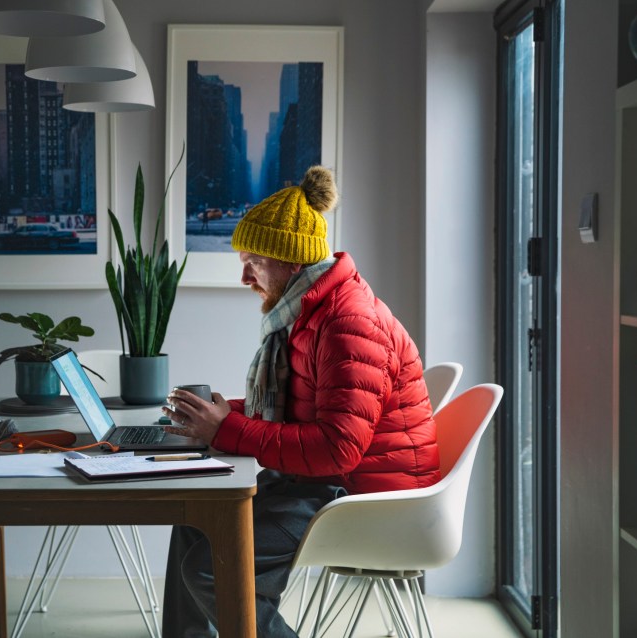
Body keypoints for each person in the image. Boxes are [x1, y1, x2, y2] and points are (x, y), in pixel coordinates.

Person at [160, 165, 440, 638]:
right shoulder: (310, 310)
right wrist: (220, 415)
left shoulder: (349, 324)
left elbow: (337, 449)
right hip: (331, 481)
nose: (245, 275)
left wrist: (225, 428)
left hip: (363, 497)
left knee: (210, 567)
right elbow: (298, 407)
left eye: (255, 260)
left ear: (292, 263)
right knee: (196, 517)